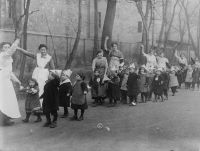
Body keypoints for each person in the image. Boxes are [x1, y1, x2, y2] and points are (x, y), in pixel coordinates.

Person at [0, 39, 22, 126]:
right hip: (2, 80)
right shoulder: (3, 55)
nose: (7, 48)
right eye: (5, 47)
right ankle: (3, 119)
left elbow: (9, 72)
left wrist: (17, 80)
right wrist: (16, 41)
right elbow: (11, 51)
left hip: (6, 81)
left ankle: (6, 119)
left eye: (8, 47)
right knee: (3, 99)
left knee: (8, 100)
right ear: (1, 49)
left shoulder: (8, 57)